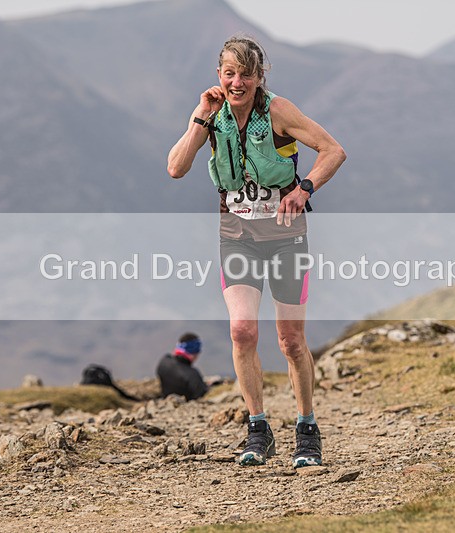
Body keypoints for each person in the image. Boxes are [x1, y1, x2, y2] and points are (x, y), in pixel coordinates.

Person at [167, 35, 346, 467]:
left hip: (286, 236)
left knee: (291, 340)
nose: (237, 82)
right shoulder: (210, 114)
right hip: (237, 234)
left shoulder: (278, 111)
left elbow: (333, 151)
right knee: (242, 331)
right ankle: (258, 428)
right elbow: (175, 167)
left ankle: (307, 428)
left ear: (260, 76)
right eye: (230, 73)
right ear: (219, 75)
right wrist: (200, 119)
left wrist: (304, 189)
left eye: (246, 74)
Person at [156, 333, 208, 401]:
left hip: (165, 401)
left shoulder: (164, 361)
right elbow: (202, 395)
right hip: (186, 405)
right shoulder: (192, 374)